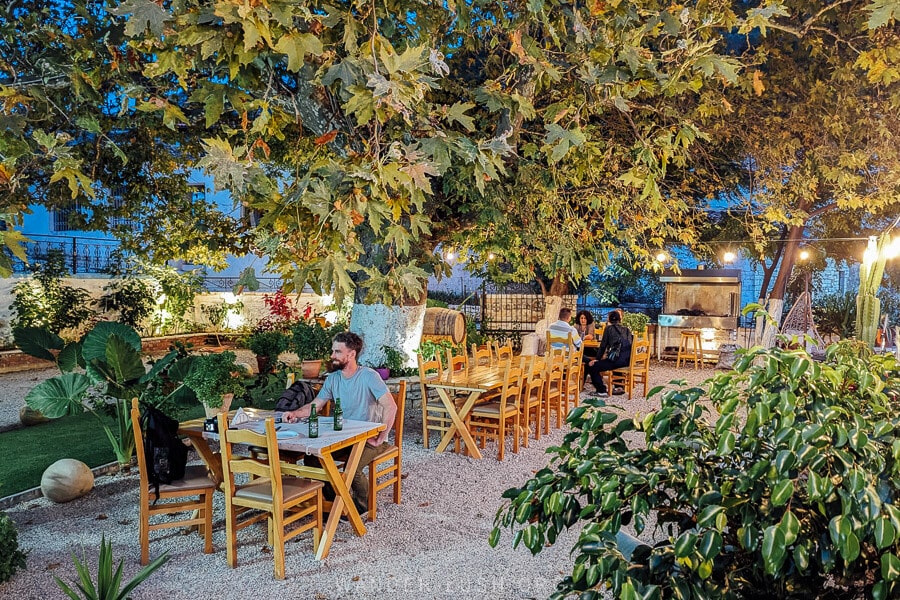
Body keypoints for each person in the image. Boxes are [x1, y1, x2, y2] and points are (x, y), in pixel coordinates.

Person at [284, 331, 397, 516]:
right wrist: (294, 414)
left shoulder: (369, 376)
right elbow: (316, 405)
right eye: (333, 351)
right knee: (312, 458)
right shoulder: (333, 379)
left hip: (369, 437)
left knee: (352, 469)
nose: (332, 356)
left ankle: (360, 507)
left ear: (351, 354)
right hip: (344, 436)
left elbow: (391, 407)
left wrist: (382, 436)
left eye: (337, 352)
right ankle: (333, 502)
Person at [586, 310, 633, 397]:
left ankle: (601, 390)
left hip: (616, 360)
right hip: (627, 360)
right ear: (619, 319)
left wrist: (597, 359)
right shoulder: (626, 330)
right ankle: (619, 387)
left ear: (609, 319)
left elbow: (603, 346)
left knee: (592, 366)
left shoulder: (609, 329)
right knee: (613, 361)